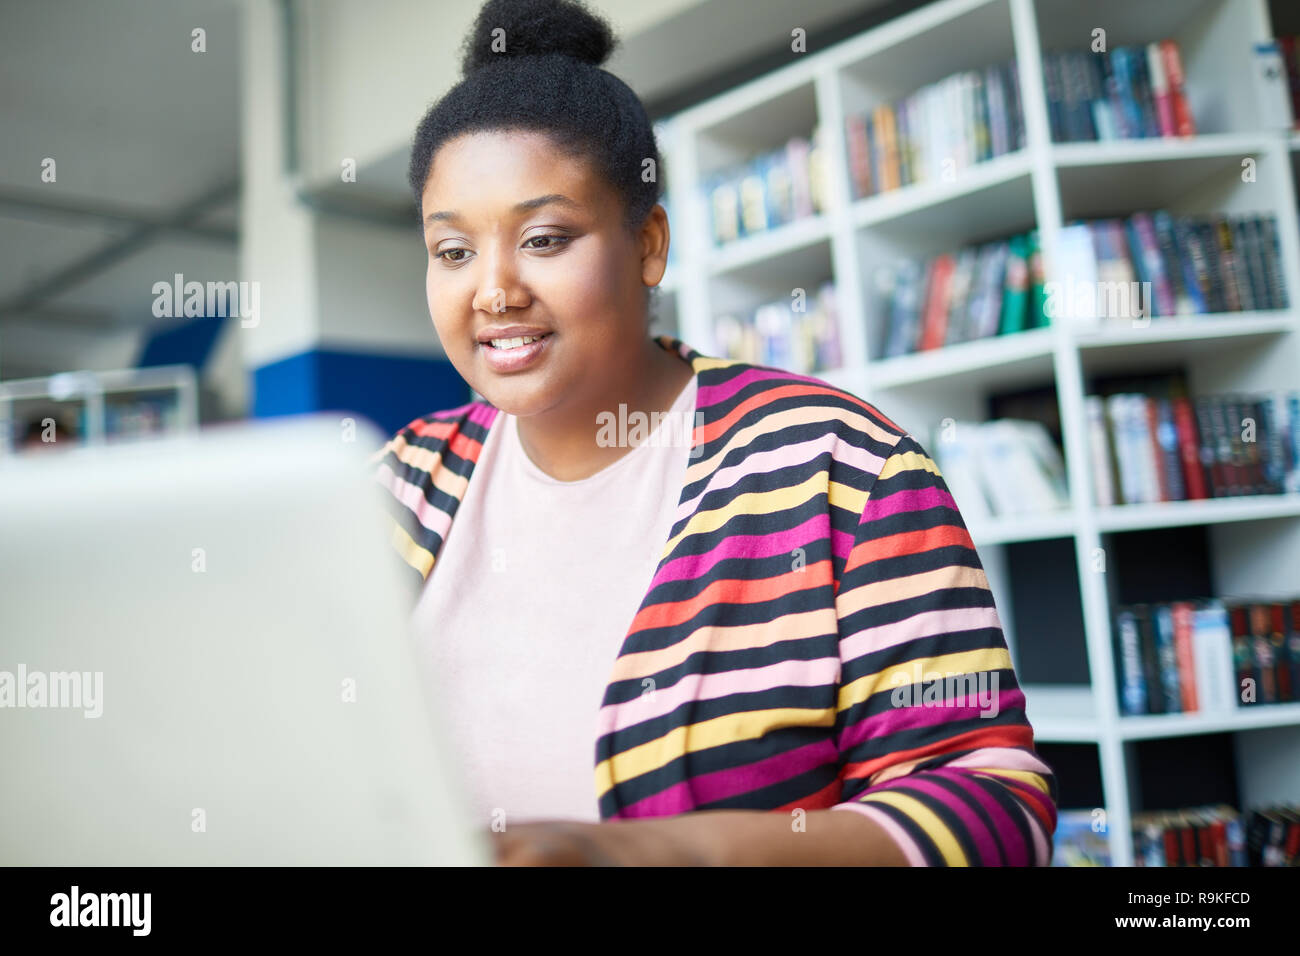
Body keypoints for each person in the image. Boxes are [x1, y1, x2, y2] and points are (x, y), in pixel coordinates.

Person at [370, 0, 1058, 866]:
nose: (494, 291)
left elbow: (995, 808)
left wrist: (660, 855)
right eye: (453, 251)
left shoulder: (838, 465)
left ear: (648, 243)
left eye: (544, 238)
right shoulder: (398, 484)